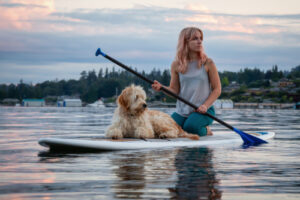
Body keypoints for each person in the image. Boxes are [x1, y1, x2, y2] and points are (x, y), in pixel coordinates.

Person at [152, 27, 221, 136]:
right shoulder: (176, 65)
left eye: (200, 38)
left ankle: (207, 130)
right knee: (165, 128)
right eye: (195, 39)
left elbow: (217, 89)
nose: (199, 41)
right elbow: (174, 91)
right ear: (185, 42)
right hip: (182, 111)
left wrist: (205, 106)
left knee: (190, 127)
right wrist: (161, 88)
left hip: (203, 111)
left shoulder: (208, 63)